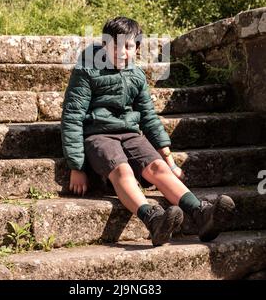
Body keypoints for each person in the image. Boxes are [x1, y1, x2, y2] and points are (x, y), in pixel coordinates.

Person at [61, 16, 235, 247]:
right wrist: (76, 166)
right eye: (114, 46)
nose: (121, 53)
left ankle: (201, 214)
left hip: (131, 134)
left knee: (158, 168)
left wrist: (169, 158)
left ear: (137, 49)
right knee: (122, 171)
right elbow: (72, 115)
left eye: (129, 47)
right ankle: (153, 219)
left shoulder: (137, 76)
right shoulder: (87, 69)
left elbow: (148, 117)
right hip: (98, 135)